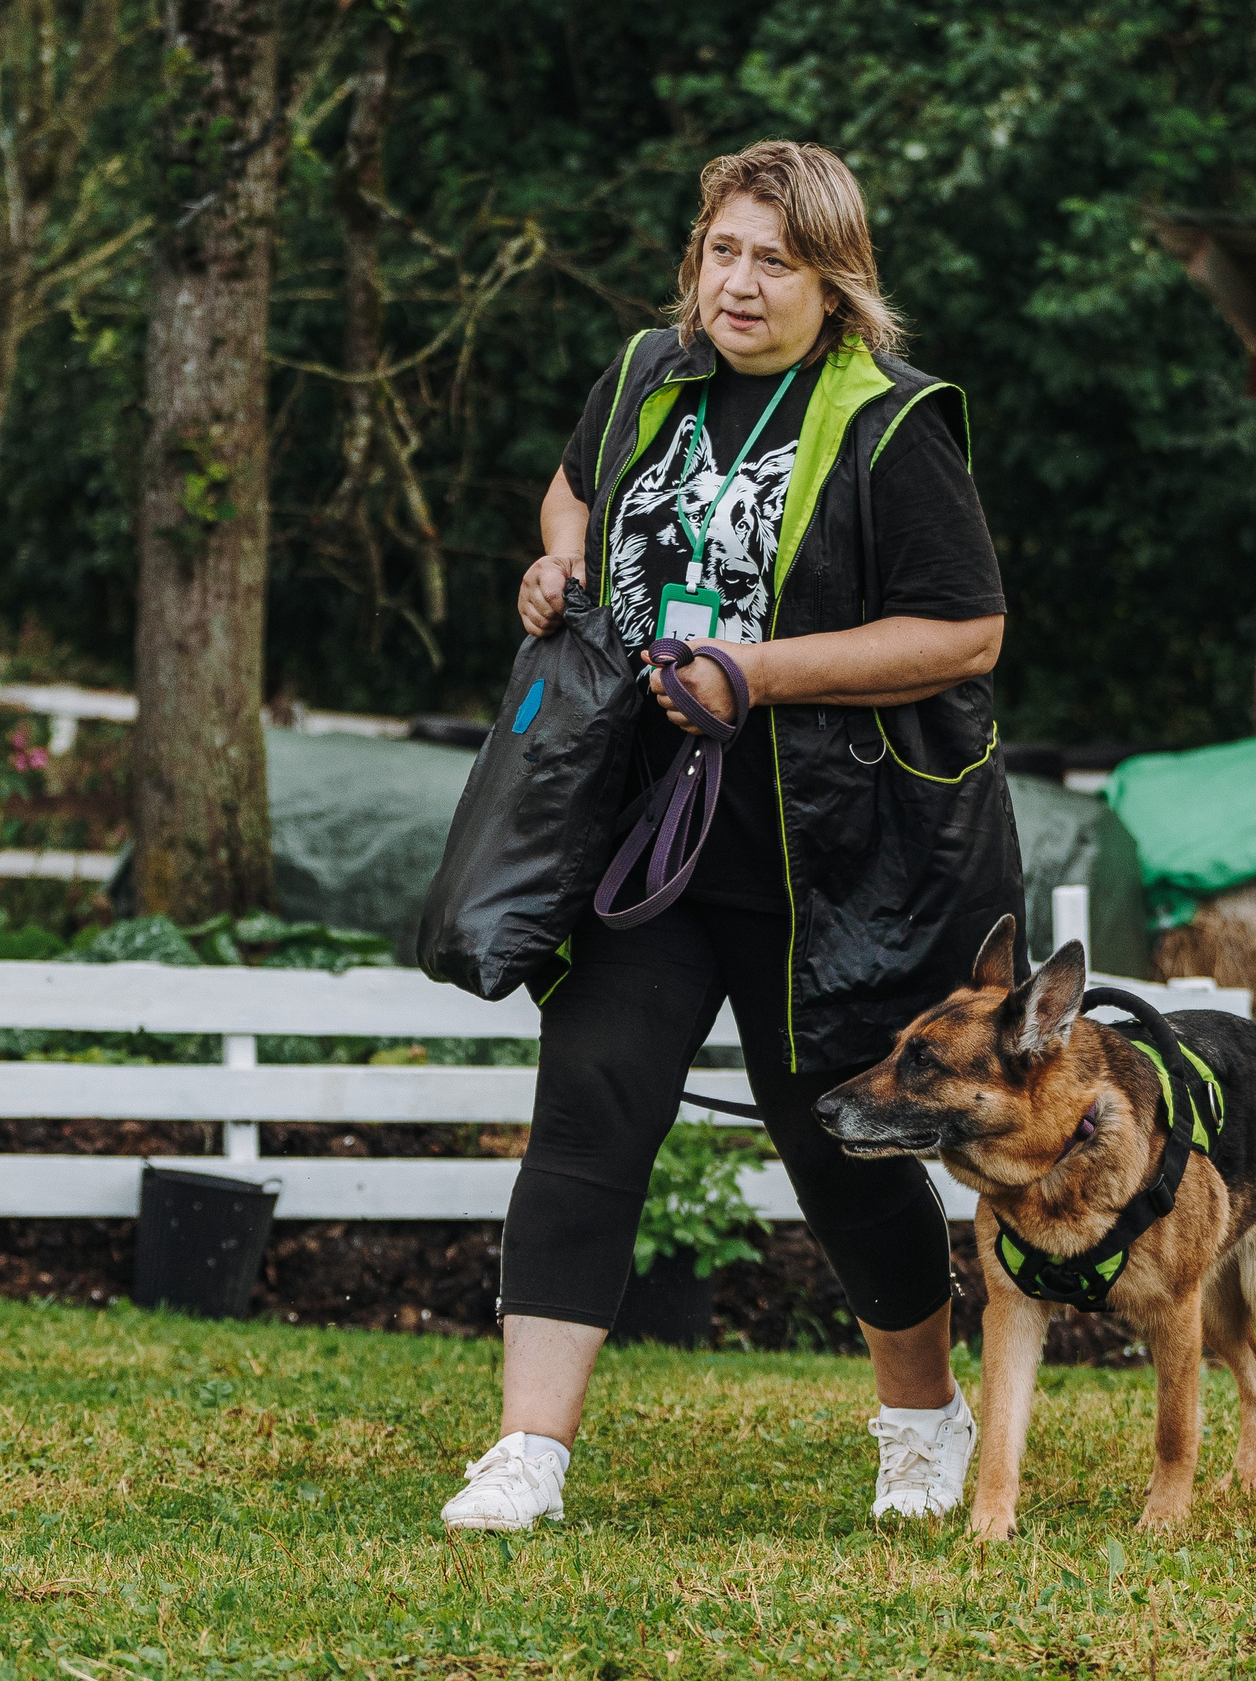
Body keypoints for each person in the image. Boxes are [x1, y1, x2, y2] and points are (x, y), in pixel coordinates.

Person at [442, 141, 1025, 1533]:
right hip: (646, 837)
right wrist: (562, 560)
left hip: (832, 857)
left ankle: (920, 1420)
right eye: (723, 251)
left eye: (775, 259)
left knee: (832, 1140)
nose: (740, 284)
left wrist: (758, 670)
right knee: (588, 1113)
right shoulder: (651, 373)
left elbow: (967, 631)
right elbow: (575, 488)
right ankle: (529, 1452)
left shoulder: (891, 424)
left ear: (836, 280)